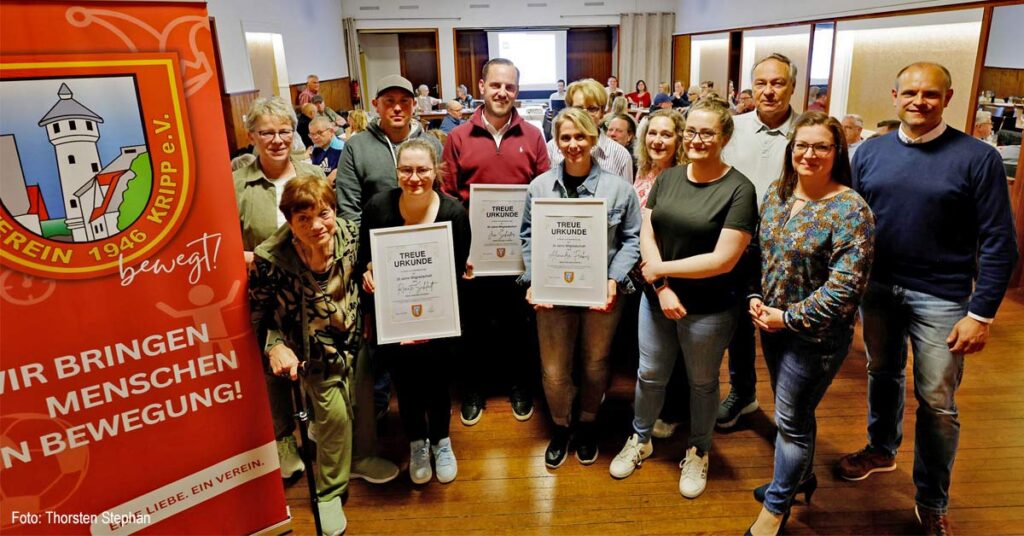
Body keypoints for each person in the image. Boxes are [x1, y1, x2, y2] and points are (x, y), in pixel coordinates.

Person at [838, 62, 1017, 535]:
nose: (920, 101)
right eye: (911, 93)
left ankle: (932, 499)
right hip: (877, 289)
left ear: (948, 98)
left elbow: (1000, 241)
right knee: (882, 372)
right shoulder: (869, 153)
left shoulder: (977, 158)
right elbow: (852, 223)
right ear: (895, 96)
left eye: (931, 94)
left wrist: (981, 314)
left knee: (937, 401)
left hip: (942, 297)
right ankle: (881, 448)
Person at [609, 98, 757, 500]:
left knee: (703, 383)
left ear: (724, 137)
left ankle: (699, 449)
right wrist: (661, 285)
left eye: (707, 132)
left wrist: (663, 272)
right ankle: (641, 439)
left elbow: (724, 259)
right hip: (658, 301)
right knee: (650, 375)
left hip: (709, 308)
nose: (696, 139)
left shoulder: (739, 189)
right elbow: (649, 230)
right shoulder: (669, 177)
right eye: (691, 130)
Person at [745, 112, 875, 536]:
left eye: (821, 146)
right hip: (772, 325)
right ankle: (800, 479)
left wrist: (788, 318)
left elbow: (844, 291)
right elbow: (760, 256)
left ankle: (777, 507)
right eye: (802, 145)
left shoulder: (851, 210)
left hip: (814, 337)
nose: (809, 154)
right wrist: (755, 298)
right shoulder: (778, 193)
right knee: (795, 414)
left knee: (791, 420)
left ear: (837, 153)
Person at [520, 107, 641, 469]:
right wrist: (532, 278)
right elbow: (527, 236)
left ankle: (587, 423)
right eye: (565, 138)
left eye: (580, 137)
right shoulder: (540, 187)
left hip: (601, 293)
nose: (573, 144)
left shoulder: (620, 190)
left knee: (594, 364)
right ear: (556, 142)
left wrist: (612, 279)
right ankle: (561, 426)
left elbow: (632, 239)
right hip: (553, 295)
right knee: (555, 368)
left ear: (594, 139)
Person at [247, 176, 361, 536]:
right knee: (334, 417)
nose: (316, 226)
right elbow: (257, 314)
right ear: (289, 221)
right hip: (311, 352)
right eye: (303, 219)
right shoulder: (272, 258)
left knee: (356, 408)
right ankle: (329, 492)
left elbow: (364, 271)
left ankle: (356, 460)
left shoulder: (349, 234)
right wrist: (273, 345)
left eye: (323, 214)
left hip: (355, 338)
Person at [441, 58, 550, 425]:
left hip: (521, 253)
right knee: (475, 325)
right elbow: (449, 196)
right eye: (496, 85)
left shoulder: (534, 136)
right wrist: (462, 250)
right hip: (476, 254)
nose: (503, 92)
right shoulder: (457, 137)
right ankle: (474, 388)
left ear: (517, 91)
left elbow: (544, 192)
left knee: (519, 323)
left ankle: (520, 385)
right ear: (482, 87)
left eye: (510, 87)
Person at [360, 138, 471, 485]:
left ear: (435, 171)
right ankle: (417, 443)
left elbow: (455, 274)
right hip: (394, 318)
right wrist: (368, 272)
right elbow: (366, 256)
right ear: (396, 172)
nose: (414, 177)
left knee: (437, 383)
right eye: (406, 170)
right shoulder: (378, 207)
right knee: (404, 385)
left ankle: (441, 440)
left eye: (422, 169)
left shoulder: (453, 213)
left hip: (438, 319)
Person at [233, 96, 327, 483]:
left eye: (284, 130)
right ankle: (284, 438)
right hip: (262, 290)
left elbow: (326, 219)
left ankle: (320, 425)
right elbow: (222, 238)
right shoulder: (237, 182)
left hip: (309, 283)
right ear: (252, 135)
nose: (277, 139)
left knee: (315, 355)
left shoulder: (312, 174)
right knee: (273, 367)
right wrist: (246, 257)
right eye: (267, 132)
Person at [718, 52, 798, 430]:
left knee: (785, 329)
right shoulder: (732, 128)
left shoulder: (808, 131)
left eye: (778, 83)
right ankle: (743, 393)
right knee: (738, 325)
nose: (768, 91)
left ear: (792, 87)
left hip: (789, 249)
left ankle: (790, 412)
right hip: (737, 241)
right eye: (761, 83)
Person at [629, 108, 690, 439]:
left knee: (677, 349)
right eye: (652, 133)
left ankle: (675, 411)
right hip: (641, 276)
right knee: (653, 352)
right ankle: (652, 405)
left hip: (670, 275)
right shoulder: (642, 171)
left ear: (679, 138)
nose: (657, 140)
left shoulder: (685, 176)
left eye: (666, 134)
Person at [336, 74, 442, 223]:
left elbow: (443, 197)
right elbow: (348, 209)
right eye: (389, 101)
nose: (397, 108)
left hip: (426, 236)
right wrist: (365, 242)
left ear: (414, 105)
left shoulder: (432, 145)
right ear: (376, 105)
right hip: (376, 239)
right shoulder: (355, 147)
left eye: (404, 101)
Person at [548, 79, 633, 183]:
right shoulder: (551, 149)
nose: (585, 115)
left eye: (592, 109)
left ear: (602, 112)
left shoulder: (620, 155)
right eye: (578, 109)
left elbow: (625, 197)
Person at [308, 116, 344, 185]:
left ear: (331, 131)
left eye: (319, 132)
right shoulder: (316, 148)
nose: (315, 137)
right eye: (312, 134)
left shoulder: (342, 149)